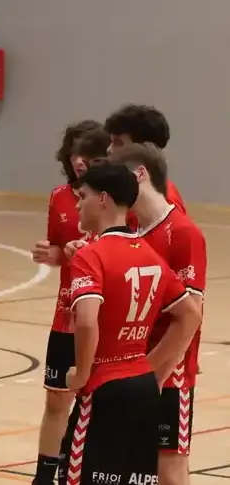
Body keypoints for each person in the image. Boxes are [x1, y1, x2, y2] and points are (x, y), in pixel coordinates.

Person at [60, 162, 201, 485]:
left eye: (83, 196)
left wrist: (81, 374)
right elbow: (190, 315)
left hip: (104, 388)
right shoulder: (150, 255)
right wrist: (152, 369)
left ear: (103, 199)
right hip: (143, 389)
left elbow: (87, 322)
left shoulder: (91, 256)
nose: (78, 205)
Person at [102, 144, 207, 485]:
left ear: (140, 175)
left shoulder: (184, 233)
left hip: (167, 376)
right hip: (130, 372)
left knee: (168, 471)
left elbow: (190, 316)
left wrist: (152, 375)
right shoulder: (132, 232)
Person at [30, 121, 110, 485]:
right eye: (75, 153)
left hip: (104, 316)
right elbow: (59, 250)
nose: (79, 161)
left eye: (87, 154)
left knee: (97, 402)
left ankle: (83, 470)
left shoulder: (117, 199)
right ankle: (45, 475)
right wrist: (56, 254)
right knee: (57, 400)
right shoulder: (59, 197)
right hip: (66, 315)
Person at [103, 104, 186, 213]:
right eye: (111, 141)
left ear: (144, 150)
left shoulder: (162, 203)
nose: (109, 149)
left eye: (118, 143)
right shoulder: (127, 192)